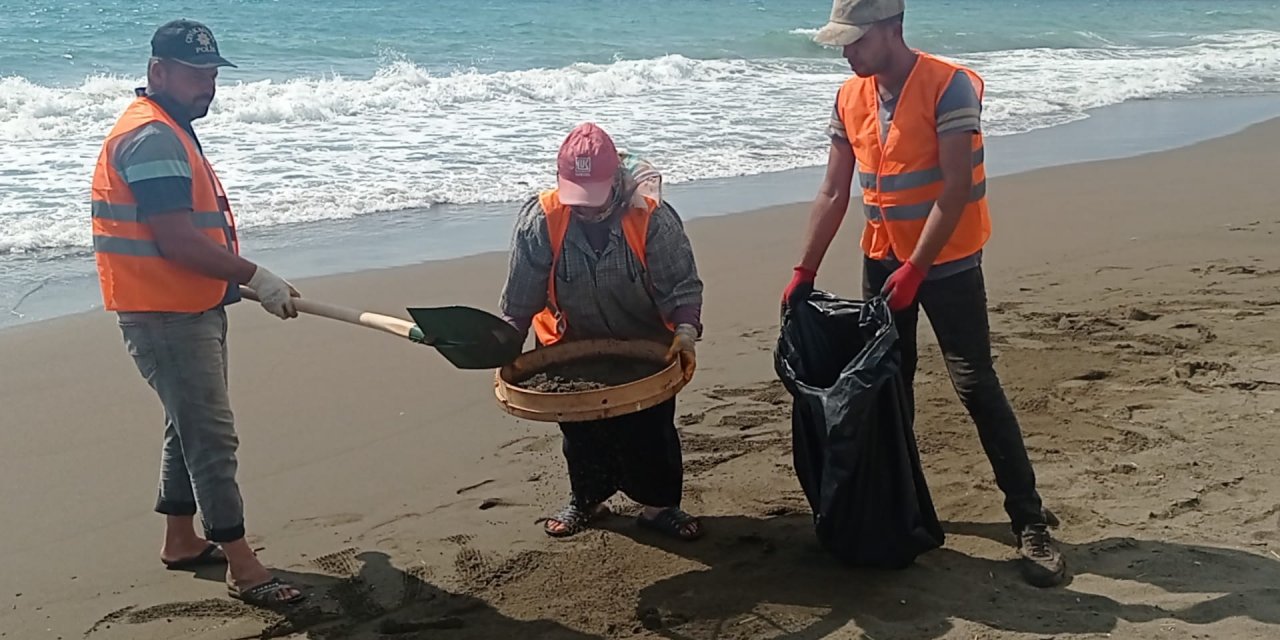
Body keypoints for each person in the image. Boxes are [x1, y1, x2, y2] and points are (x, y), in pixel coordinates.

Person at [783, 0, 1066, 587]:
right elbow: (833, 192)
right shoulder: (849, 97)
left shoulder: (948, 87)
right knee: (889, 386)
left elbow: (955, 187)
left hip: (949, 263)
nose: (847, 52)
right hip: (882, 260)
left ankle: (1029, 519)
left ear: (892, 29)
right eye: (842, 41)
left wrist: (917, 268)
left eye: (856, 40)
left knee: (975, 383)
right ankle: (905, 509)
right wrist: (803, 269)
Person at [91, 19, 305, 606]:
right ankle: (244, 566)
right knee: (211, 437)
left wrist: (236, 284)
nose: (207, 86)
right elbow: (177, 241)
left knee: (184, 425)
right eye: (195, 75)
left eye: (212, 75)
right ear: (157, 71)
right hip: (165, 315)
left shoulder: (169, 127)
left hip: (187, 304)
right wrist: (256, 276)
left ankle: (181, 540)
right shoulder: (152, 136)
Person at [500, 123, 705, 541]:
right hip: (569, 342)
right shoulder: (541, 219)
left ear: (616, 182)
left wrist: (685, 332)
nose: (586, 210)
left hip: (643, 340)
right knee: (580, 431)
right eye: (577, 199)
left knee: (651, 428)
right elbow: (521, 298)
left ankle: (659, 507)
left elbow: (680, 285)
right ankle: (587, 500)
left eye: (594, 199)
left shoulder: (652, 217)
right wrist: (505, 346)